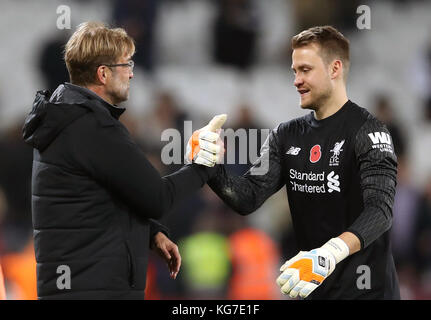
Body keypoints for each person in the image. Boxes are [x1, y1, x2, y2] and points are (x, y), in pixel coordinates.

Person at [22, 22, 223, 300]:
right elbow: (158, 198)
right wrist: (203, 166)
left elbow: (92, 200)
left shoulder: (67, 120)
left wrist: (150, 232)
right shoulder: (93, 127)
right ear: (103, 74)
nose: (131, 73)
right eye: (126, 64)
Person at [205, 26, 400, 299]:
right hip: (311, 289)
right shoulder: (285, 134)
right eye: (294, 71)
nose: (296, 80)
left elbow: (380, 211)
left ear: (335, 69)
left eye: (305, 70)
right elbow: (246, 197)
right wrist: (209, 165)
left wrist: (330, 253)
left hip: (368, 292)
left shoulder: (369, 131)